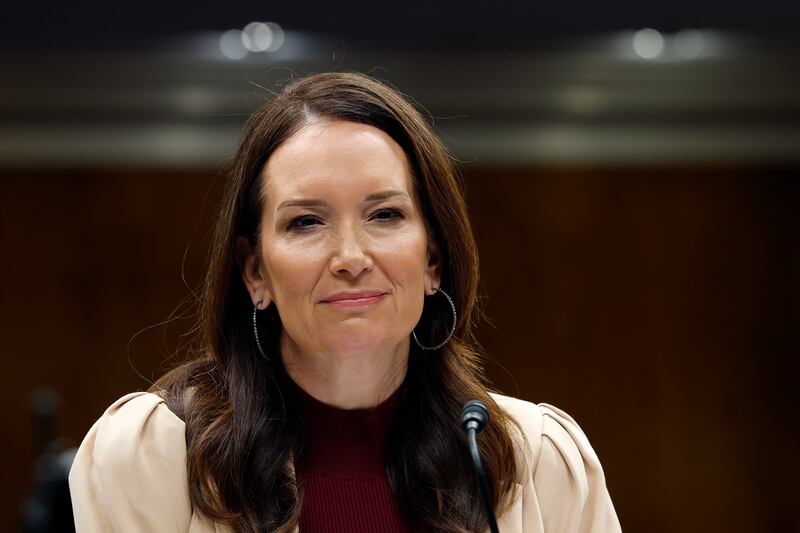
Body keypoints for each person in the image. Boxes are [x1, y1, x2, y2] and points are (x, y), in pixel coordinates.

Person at [68, 71, 622, 533]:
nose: (351, 256)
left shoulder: (539, 461)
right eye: (306, 222)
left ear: (433, 260)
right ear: (254, 271)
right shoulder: (150, 456)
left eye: (385, 215)